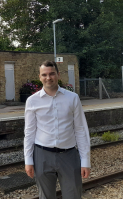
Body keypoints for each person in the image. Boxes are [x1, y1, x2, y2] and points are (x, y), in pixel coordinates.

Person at [24, 60, 90, 199]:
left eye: (52, 73)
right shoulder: (32, 101)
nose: (48, 78)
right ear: (40, 76)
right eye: (44, 74)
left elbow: (80, 130)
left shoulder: (72, 98)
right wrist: (28, 160)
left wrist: (85, 161)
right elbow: (29, 133)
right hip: (42, 155)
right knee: (46, 197)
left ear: (58, 74)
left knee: (73, 195)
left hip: (69, 155)